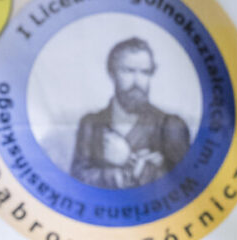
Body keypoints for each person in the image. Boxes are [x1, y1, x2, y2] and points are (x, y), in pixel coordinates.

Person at [70, 37, 190, 189]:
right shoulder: (90, 124)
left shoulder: (170, 125)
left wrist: (127, 159)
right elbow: (78, 181)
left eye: (145, 72)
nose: (137, 81)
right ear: (112, 73)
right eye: (128, 71)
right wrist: (126, 173)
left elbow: (185, 185)